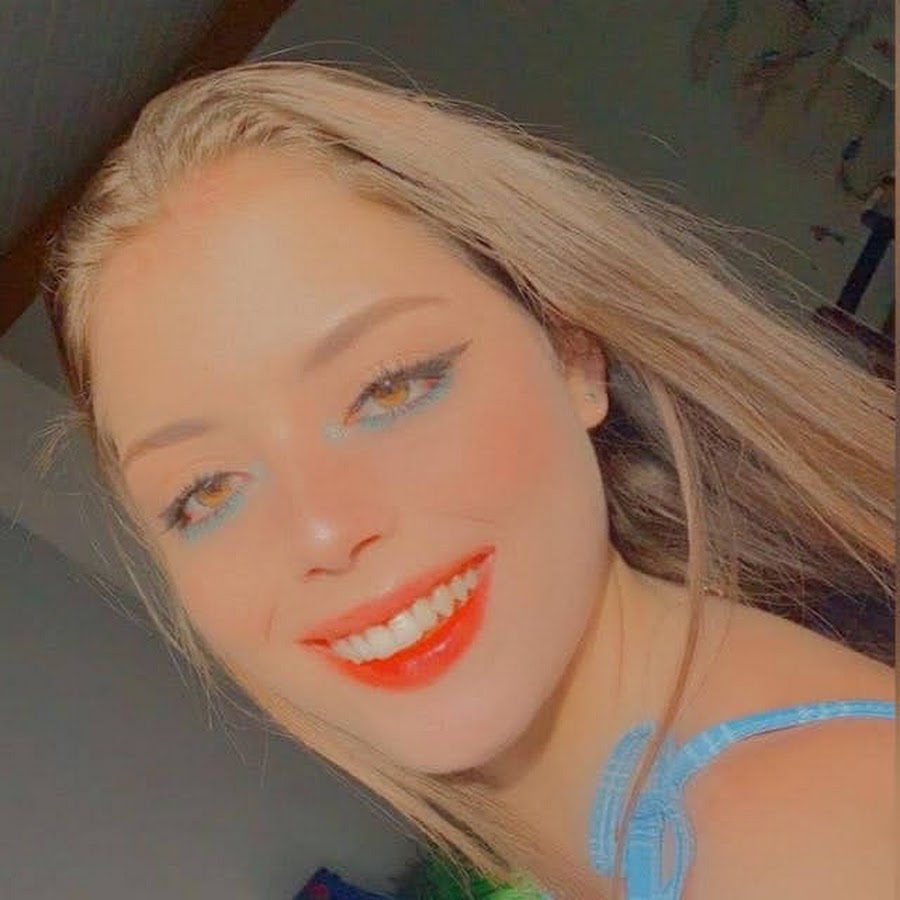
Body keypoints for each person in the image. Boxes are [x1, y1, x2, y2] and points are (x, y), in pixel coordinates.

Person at [42, 62, 894, 899]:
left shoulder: (809, 844)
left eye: (389, 389)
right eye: (206, 490)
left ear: (571, 354)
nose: (322, 530)